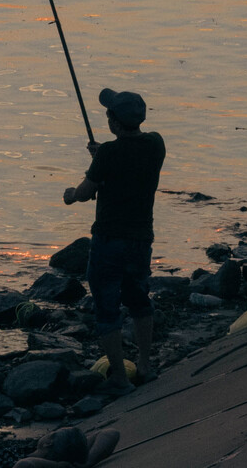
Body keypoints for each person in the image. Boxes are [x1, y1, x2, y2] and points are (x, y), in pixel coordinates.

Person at [62, 87, 165, 394]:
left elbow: (84, 192)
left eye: (108, 114)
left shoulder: (108, 153)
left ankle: (120, 376)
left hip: (109, 241)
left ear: (115, 123)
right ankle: (145, 366)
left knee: (107, 307)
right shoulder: (156, 144)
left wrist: (70, 195)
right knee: (138, 300)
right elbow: (125, 164)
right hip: (140, 240)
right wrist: (101, 158)